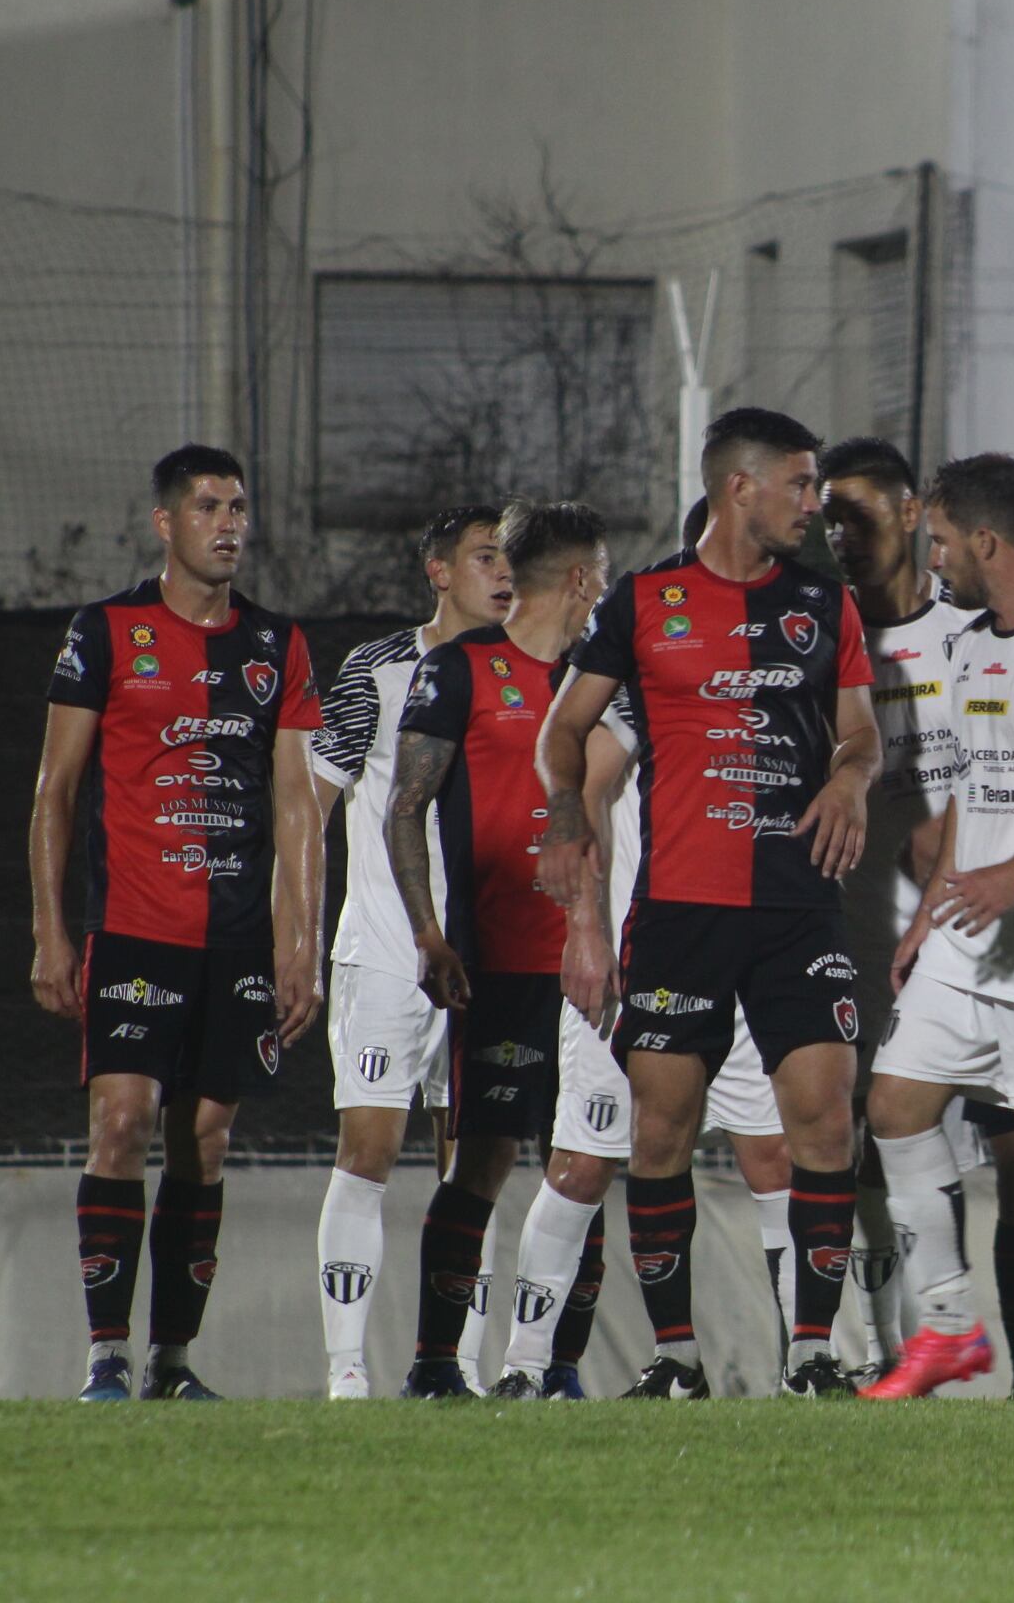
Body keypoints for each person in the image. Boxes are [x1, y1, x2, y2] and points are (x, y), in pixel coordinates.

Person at [539, 406, 880, 1398]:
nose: (815, 507)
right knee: (661, 1131)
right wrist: (568, 823)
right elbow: (566, 733)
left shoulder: (826, 605)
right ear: (743, 487)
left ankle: (813, 1352)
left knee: (823, 1120)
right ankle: (675, 1357)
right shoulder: (643, 603)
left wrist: (849, 782)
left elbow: (861, 736)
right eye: (803, 487)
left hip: (797, 908)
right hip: (682, 910)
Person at [28, 444, 323, 1402]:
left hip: (236, 940)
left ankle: (172, 1362)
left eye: (240, 505)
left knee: (205, 1140)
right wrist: (51, 930)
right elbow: (55, 792)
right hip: (136, 931)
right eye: (209, 507)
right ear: (167, 523)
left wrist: (299, 940)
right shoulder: (107, 631)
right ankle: (104, 1353)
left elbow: (296, 805)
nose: (230, 523)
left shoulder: (278, 645)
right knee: (121, 1121)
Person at [493, 501, 801, 1402]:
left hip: (758, 948)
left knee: (775, 1157)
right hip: (646, 954)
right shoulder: (647, 659)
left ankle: (812, 1369)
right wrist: (586, 930)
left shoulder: (808, 652)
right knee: (584, 1162)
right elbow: (588, 789)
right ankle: (522, 1371)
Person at [860, 453, 1014, 1398]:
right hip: (966, 935)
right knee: (895, 1106)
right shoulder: (964, 646)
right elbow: (972, 786)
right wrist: (930, 914)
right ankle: (951, 1328)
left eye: (942, 545)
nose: (933, 567)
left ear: (988, 540)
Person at [379, 500, 612, 1398]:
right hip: (504, 960)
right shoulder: (458, 668)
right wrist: (429, 933)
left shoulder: (608, 682)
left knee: (584, 1162)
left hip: (597, 968)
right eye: (604, 572)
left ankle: (553, 1369)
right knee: (483, 1155)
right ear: (583, 578)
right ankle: (436, 1363)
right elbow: (407, 805)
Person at [308, 504, 511, 1400]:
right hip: (390, 946)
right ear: (438, 571)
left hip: (489, 953)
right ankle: (347, 1371)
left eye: (511, 557)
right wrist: (292, 932)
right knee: (370, 1150)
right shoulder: (377, 670)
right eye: (483, 557)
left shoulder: (528, 671)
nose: (503, 573)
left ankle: (456, 1366)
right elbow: (311, 803)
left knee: (475, 1159)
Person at [819, 436, 975, 1373]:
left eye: (861, 512)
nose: (840, 533)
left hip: (970, 929)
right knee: (862, 1137)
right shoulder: (818, 633)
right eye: (828, 515)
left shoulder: (970, 631)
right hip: (855, 927)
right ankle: (880, 1351)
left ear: (913, 515)